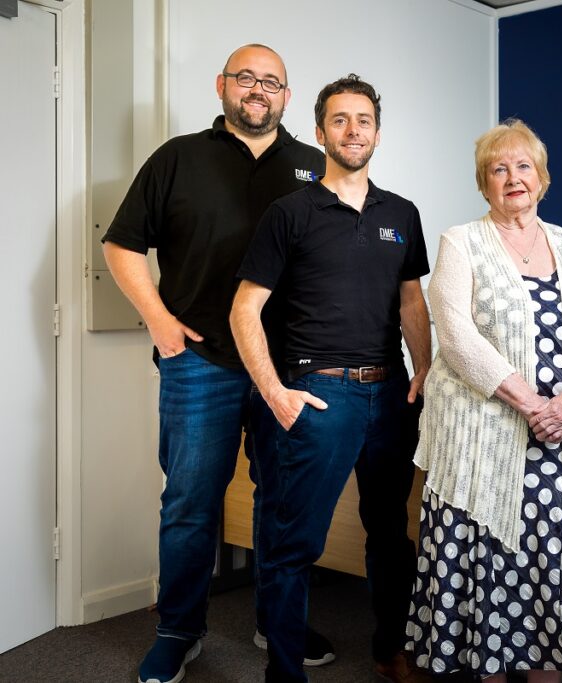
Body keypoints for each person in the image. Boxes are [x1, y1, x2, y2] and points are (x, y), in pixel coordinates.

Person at [101, 44, 330, 683]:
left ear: (287, 96)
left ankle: (273, 621)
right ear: (223, 86)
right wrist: (160, 322)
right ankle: (178, 629)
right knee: (191, 504)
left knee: (279, 502)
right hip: (200, 363)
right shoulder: (178, 157)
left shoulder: (314, 166)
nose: (258, 90)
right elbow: (121, 245)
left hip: (286, 368)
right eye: (246, 79)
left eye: (272, 82)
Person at [230, 74, 431, 683]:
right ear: (320, 132)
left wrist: (423, 370)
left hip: (389, 393)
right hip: (319, 394)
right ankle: (285, 671)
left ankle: (388, 649)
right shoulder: (289, 213)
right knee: (297, 544)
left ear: (376, 132)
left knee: (390, 537)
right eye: (340, 120)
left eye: (363, 120)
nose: (353, 130)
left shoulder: (401, 213)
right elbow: (244, 308)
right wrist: (275, 394)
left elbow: (412, 303)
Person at [406, 119, 562, 681]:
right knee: (491, 567)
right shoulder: (462, 241)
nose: (512, 177)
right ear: (484, 184)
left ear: (543, 179)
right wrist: (531, 403)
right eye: (498, 169)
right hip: (484, 438)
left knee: (551, 564)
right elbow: (453, 333)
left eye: (523, 166)